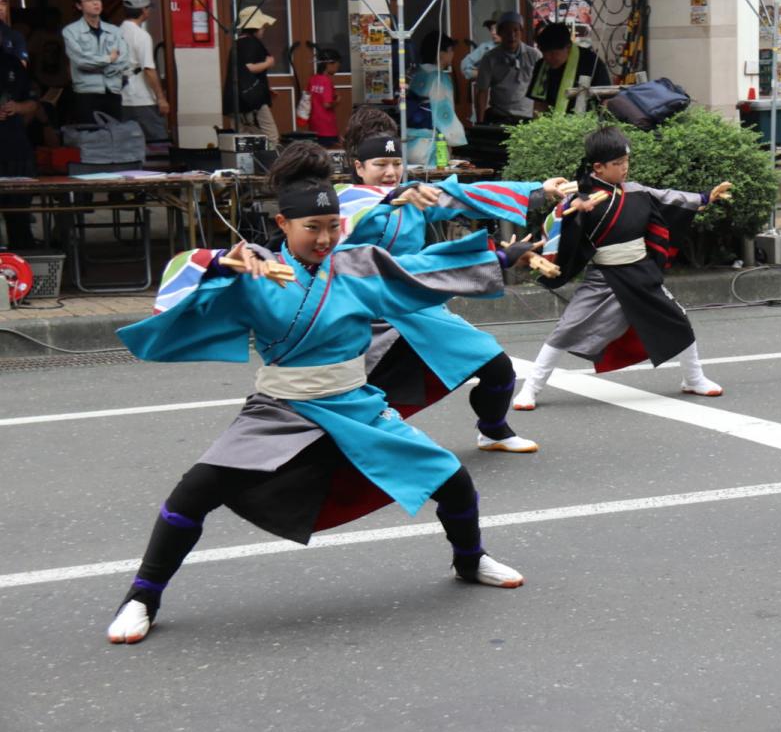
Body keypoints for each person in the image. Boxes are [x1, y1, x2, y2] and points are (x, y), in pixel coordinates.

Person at [104, 142, 547, 645]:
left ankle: (470, 560)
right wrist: (218, 265)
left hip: (355, 403)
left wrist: (502, 256)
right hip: (282, 407)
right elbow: (180, 281)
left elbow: (421, 272)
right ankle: (142, 597)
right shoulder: (254, 269)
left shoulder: (356, 266)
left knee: (452, 479)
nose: (324, 238)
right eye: (311, 228)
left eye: (333, 227)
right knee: (193, 492)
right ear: (282, 224)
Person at [336, 110, 562, 452]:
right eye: (380, 164)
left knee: (497, 367)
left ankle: (494, 430)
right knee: (357, 396)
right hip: (363, 315)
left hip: (415, 304)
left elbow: (465, 195)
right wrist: (390, 200)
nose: (391, 172)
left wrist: (538, 190)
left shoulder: (414, 197)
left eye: (396, 163)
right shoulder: (345, 201)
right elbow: (348, 226)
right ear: (359, 167)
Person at [512, 126, 731, 410]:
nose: (625, 168)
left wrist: (704, 197)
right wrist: (571, 213)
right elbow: (555, 228)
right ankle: (530, 388)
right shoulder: (580, 196)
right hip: (604, 276)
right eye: (617, 164)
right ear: (598, 167)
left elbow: (667, 198)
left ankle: (694, 378)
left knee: (678, 321)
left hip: (640, 273)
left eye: (626, 161)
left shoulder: (636, 191)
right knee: (565, 330)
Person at [0, 0, 38, 250]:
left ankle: (24, 257)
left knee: (19, 213)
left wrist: (18, 107)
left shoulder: (13, 62)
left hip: (14, 147)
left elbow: (32, 102)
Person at [62, 0, 129, 123]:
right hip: (86, 93)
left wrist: (100, 67)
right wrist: (108, 59)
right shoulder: (70, 31)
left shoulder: (114, 31)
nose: (95, 2)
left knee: (116, 133)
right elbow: (81, 61)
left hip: (112, 92)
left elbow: (123, 60)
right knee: (90, 134)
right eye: (89, 0)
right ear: (79, 6)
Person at [119, 0, 170, 143]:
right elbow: (148, 70)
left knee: (129, 143)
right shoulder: (141, 35)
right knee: (159, 142)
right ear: (143, 10)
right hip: (142, 97)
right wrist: (161, 98)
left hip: (122, 96)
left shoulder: (117, 32)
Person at [223, 7, 279, 147]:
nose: (263, 29)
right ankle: (270, 160)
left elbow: (241, 73)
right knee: (271, 137)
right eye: (262, 26)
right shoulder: (251, 43)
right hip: (252, 101)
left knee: (244, 141)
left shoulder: (237, 44)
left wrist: (265, 89)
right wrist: (268, 63)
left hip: (235, 100)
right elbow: (249, 67)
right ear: (256, 27)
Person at [527, 22, 611, 115]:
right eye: (544, 53)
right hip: (552, 121)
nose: (548, 58)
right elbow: (539, 104)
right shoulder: (542, 65)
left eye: (553, 53)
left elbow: (605, 99)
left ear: (568, 47)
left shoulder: (590, 62)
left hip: (586, 119)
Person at [408, 32, 466, 166]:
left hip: (409, 141)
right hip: (430, 144)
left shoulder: (414, 75)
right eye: (450, 50)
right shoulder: (439, 78)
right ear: (441, 53)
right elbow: (444, 114)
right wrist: (453, 138)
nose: (452, 54)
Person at [473, 11, 540, 125]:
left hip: (527, 118)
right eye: (507, 31)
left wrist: (539, 121)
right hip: (499, 117)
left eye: (516, 30)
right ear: (500, 32)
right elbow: (482, 91)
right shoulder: (490, 58)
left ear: (521, 31)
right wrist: (480, 122)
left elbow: (541, 91)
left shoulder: (534, 55)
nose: (512, 35)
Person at [306, 47, 341, 147]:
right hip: (327, 128)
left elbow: (307, 99)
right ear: (329, 64)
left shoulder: (313, 79)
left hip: (314, 126)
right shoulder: (326, 81)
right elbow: (327, 104)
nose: (338, 66)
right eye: (337, 63)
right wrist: (337, 100)